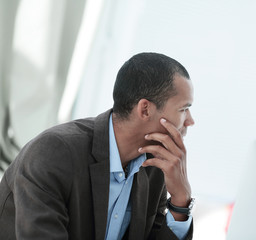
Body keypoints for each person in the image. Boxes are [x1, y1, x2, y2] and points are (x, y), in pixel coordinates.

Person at [0, 52, 195, 240]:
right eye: (184, 109)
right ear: (145, 109)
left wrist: (180, 200)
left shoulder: (155, 167)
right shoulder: (53, 153)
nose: (190, 121)